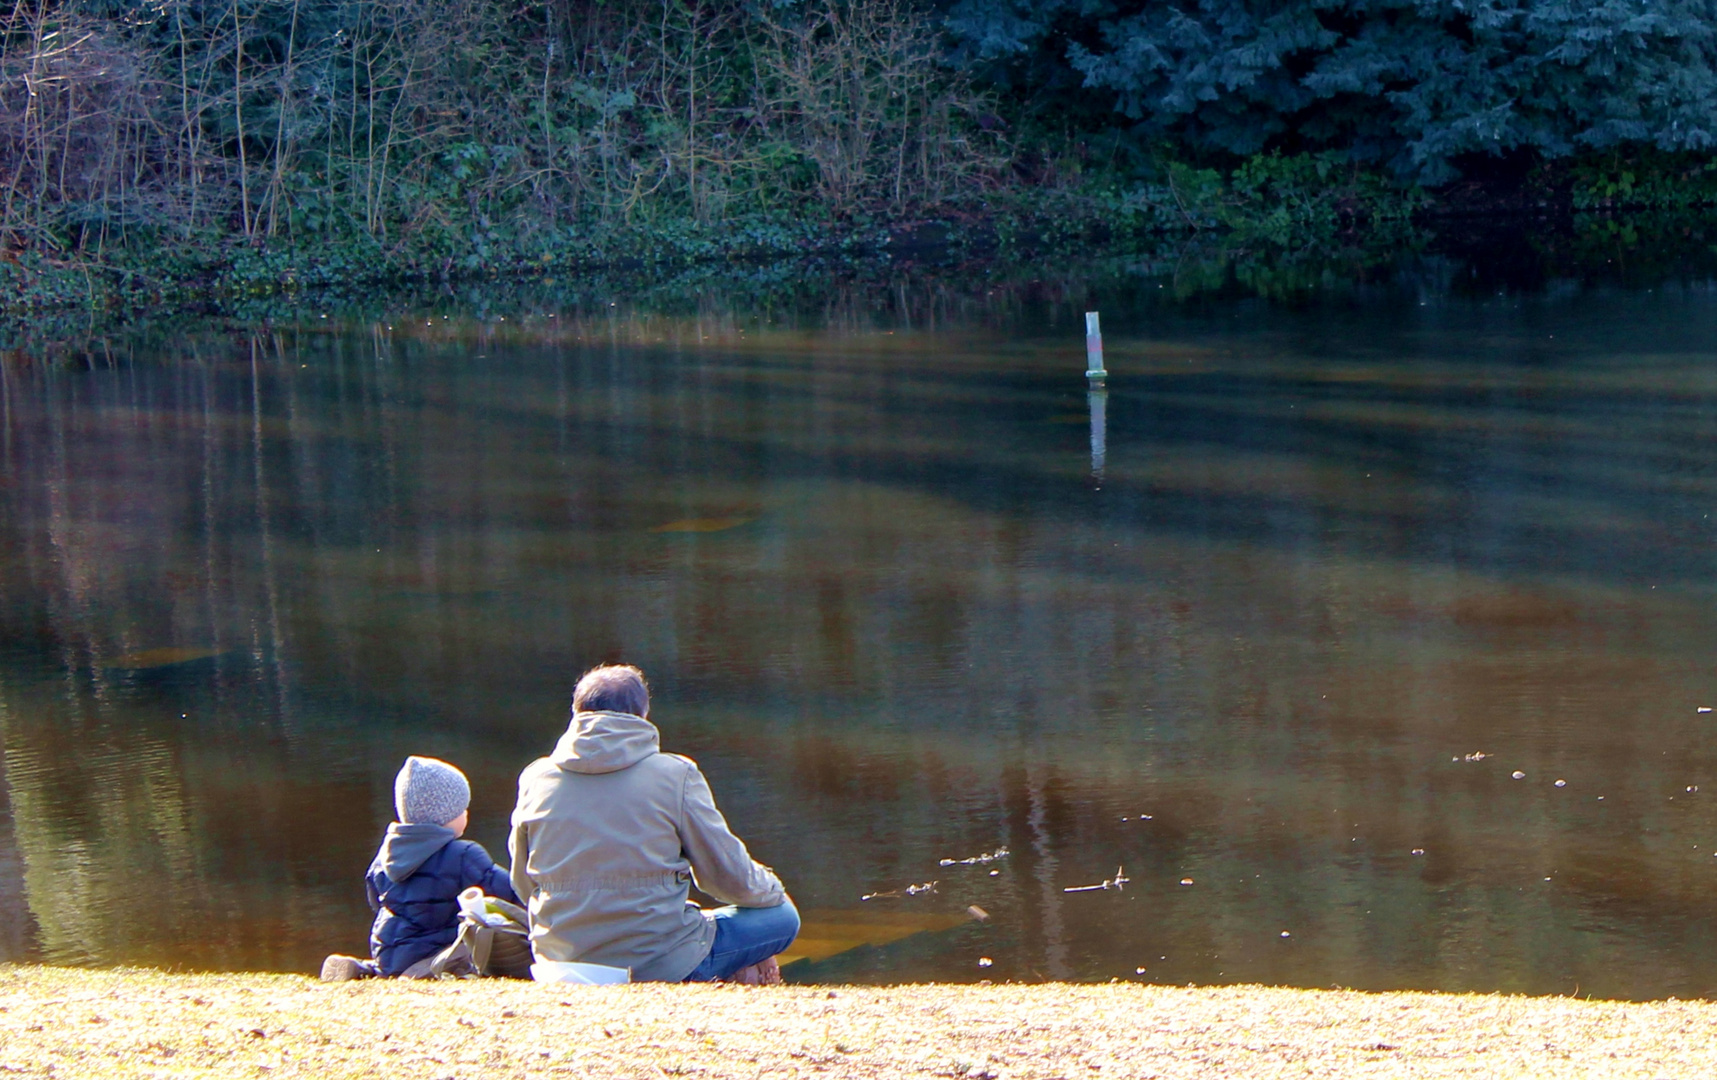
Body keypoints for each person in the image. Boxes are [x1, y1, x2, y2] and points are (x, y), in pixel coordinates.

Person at [510, 664, 798, 983]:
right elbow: (728, 878)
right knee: (782, 916)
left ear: (577, 713)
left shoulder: (536, 777)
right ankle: (730, 971)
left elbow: (523, 882)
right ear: (643, 714)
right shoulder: (676, 774)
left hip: (560, 959)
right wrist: (773, 888)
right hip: (656, 962)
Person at [320, 755, 519, 980]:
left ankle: (363, 970)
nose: (466, 814)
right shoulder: (463, 854)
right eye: (462, 809)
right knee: (479, 946)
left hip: (388, 950)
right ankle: (428, 971)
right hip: (437, 952)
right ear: (445, 814)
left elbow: (376, 903)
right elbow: (511, 892)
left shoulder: (384, 857)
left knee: (393, 964)